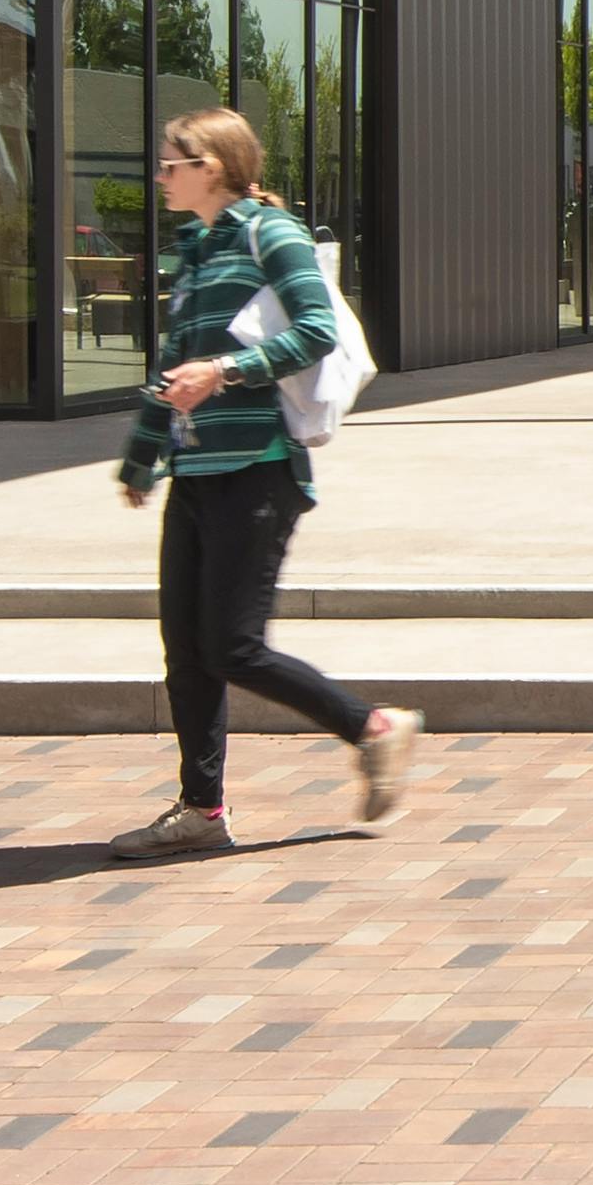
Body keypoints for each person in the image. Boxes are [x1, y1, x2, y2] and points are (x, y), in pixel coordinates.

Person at [113, 108, 416, 854]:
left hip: (259, 471)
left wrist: (224, 371)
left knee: (232, 645)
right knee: (184, 651)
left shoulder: (269, 233)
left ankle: (372, 726)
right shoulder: (194, 250)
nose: (160, 174)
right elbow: (171, 365)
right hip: (195, 472)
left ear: (210, 165)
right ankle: (201, 811)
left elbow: (315, 328)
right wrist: (141, 457)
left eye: (170, 162)